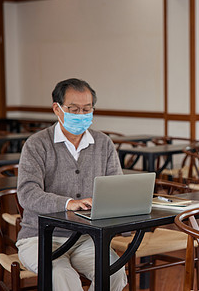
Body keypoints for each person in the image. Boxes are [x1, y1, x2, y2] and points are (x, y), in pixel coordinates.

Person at [16, 78, 127, 291]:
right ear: (57, 109)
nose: (81, 115)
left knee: (114, 271)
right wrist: (68, 203)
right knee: (61, 275)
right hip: (39, 237)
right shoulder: (37, 144)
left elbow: (116, 188)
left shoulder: (103, 143)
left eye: (87, 109)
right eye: (73, 109)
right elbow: (27, 193)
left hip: (87, 237)